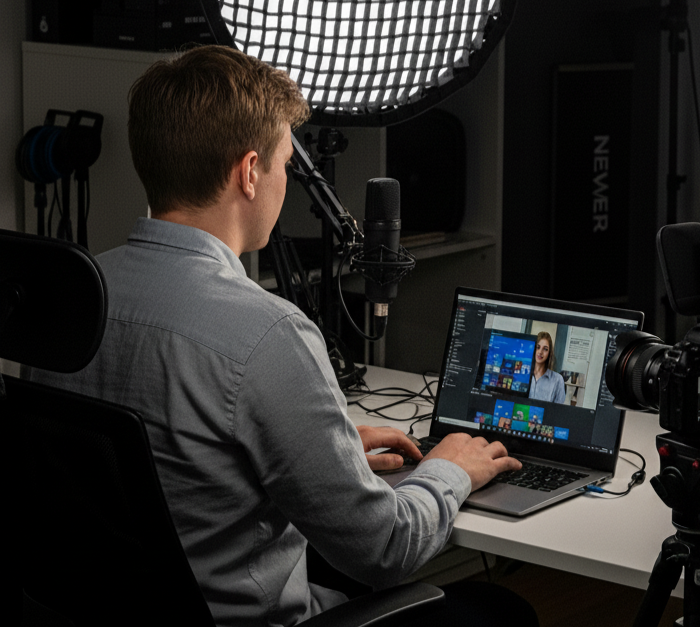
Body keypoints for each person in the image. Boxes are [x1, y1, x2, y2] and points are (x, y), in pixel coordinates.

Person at [25, 45, 534, 627]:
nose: (285, 182)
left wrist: (324, 448)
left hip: (112, 614)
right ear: (248, 172)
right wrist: (451, 468)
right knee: (502, 614)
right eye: (285, 163)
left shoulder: (72, 299)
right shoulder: (267, 333)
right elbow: (385, 550)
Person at [528, 331, 566, 403]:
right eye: (538, 347)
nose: (540, 352)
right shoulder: (524, 374)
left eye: (545, 349)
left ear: (549, 353)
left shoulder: (557, 380)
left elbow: (559, 411)